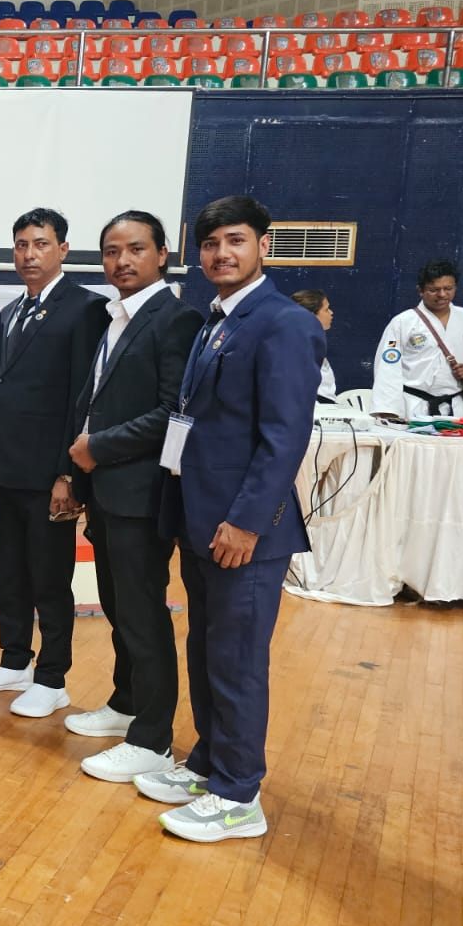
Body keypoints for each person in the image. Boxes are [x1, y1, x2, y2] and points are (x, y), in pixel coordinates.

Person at [145, 195, 324, 842]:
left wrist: (247, 521)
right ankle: (210, 762)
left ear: (263, 246)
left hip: (243, 532)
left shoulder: (284, 324)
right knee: (207, 649)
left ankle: (239, 795)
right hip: (201, 522)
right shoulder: (217, 320)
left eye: (236, 240)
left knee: (238, 660)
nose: (222, 253)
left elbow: (284, 437)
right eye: (212, 243)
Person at [64, 211, 204, 784]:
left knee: (143, 615)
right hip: (106, 490)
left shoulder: (177, 319)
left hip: (141, 493)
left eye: (136, 249)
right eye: (112, 251)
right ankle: (126, 703)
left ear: (163, 254)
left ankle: (153, 738)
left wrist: (99, 447)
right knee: (119, 609)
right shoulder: (115, 316)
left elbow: (175, 410)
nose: (122, 261)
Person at [0, 208, 107, 718]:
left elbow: (82, 398)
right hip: (3, 470)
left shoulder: (86, 308)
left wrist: (68, 475)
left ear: (63, 249)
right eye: (22, 245)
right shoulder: (9, 311)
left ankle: (52, 677)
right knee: (8, 572)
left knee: (49, 579)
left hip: (50, 475)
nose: (29, 254)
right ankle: (14, 661)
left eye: (41, 244)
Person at [371, 261, 463, 419]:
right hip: (414, 405)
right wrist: (388, 410)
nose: (442, 294)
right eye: (434, 290)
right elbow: (388, 368)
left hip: (457, 407)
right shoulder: (403, 322)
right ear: (420, 290)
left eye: (448, 288)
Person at [290, 289, 337, 403]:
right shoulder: (297, 347)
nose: (331, 312)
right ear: (311, 316)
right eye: (326, 309)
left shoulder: (312, 343)